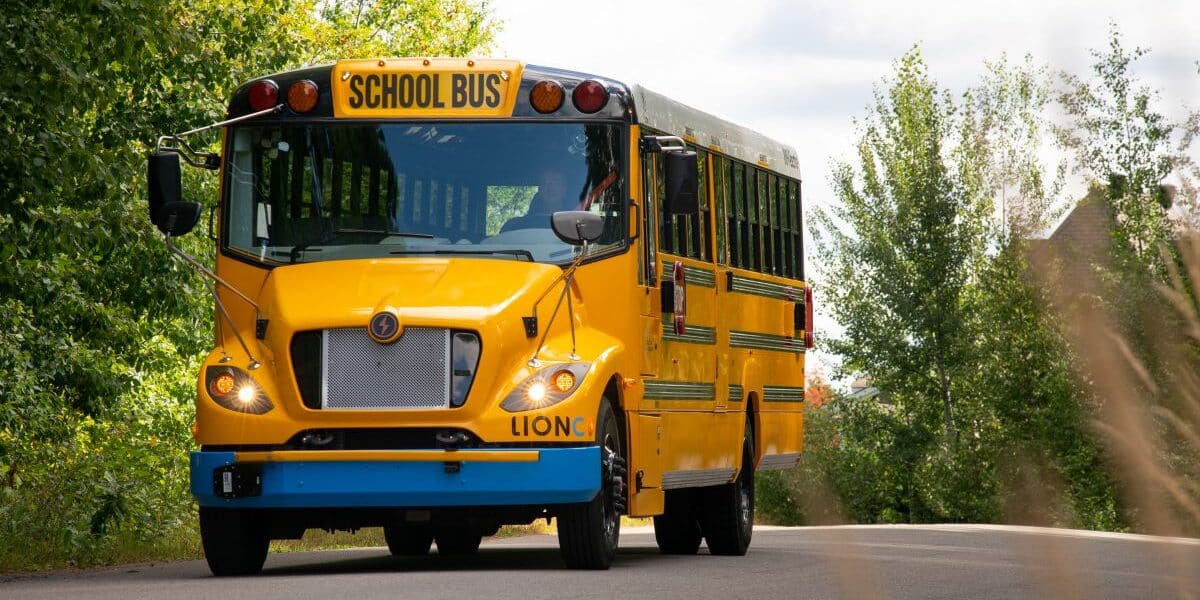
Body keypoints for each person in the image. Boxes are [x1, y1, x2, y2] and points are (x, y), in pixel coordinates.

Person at [501, 170, 574, 232]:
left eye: (556, 181)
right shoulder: (515, 226)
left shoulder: (576, 225)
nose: (550, 187)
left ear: (564, 189)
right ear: (539, 191)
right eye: (545, 182)